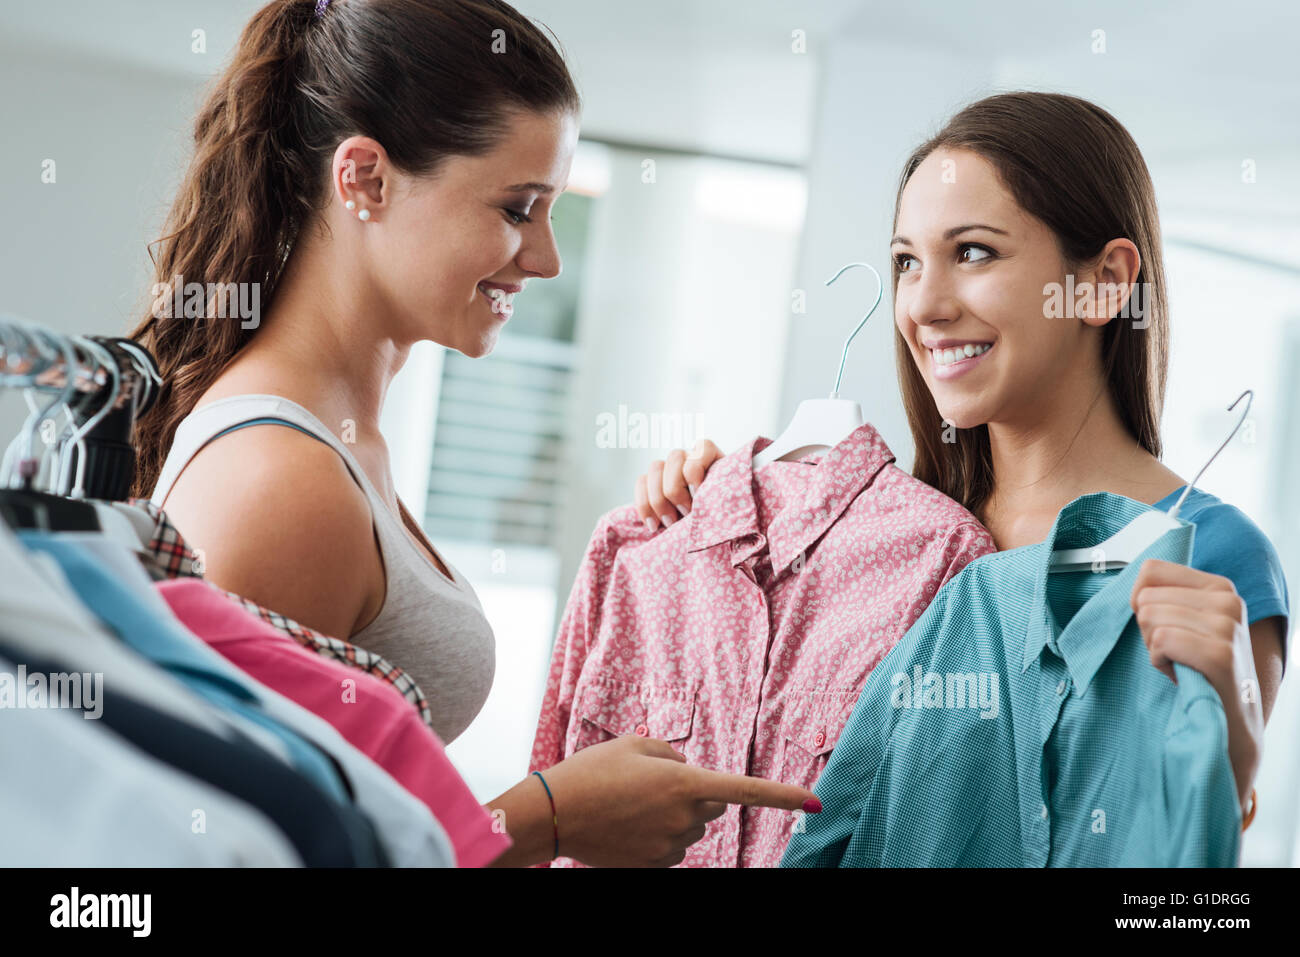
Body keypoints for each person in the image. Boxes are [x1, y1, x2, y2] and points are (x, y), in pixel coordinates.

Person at [128, 0, 816, 868]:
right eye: (518, 208)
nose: (546, 257)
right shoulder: (278, 480)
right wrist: (544, 818)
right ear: (365, 179)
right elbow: (219, 856)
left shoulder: (336, 446)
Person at [635, 92, 1289, 825]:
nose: (924, 304)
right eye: (907, 263)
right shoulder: (884, 537)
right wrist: (720, 501)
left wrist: (1232, 722)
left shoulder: (1215, 558)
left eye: (973, 252)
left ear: (1104, 282)